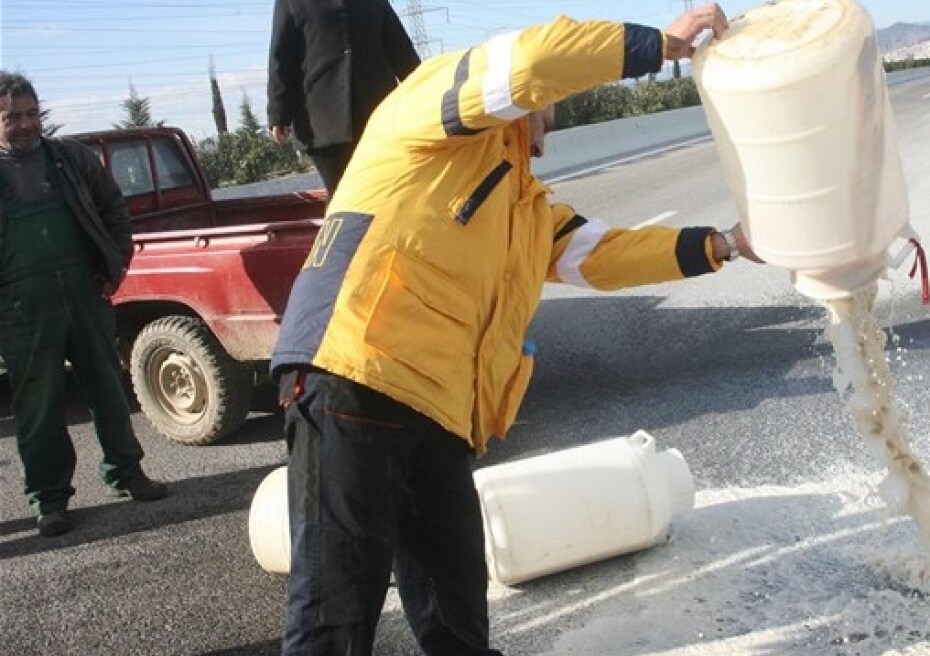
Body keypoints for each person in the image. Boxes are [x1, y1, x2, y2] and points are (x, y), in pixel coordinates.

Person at [269, 4, 755, 655]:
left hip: (441, 413)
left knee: (458, 622)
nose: (550, 129)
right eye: (547, 108)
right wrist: (660, 44)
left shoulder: (526, 208)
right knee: (335, 621)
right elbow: (534, 60)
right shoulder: (427, 112)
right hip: (354, 374)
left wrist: (724, 243)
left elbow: (604, 254)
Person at [0, 72, 168, 538]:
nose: (25, 125)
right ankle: (49, 500)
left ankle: (127, 473)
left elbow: (115, 209)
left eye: (32, 114)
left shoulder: (71, 159)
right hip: (20, 308)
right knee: (38, 406)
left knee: (108, 390)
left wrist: (114, 268)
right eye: (12, 117)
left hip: (84, 291)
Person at [267, 0, 422, 195]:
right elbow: (281, 55)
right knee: (342, 195)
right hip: (323, 121)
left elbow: (399, 47)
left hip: (378, 114)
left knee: (386, 193)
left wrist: (424, 91)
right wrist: (278, 113)